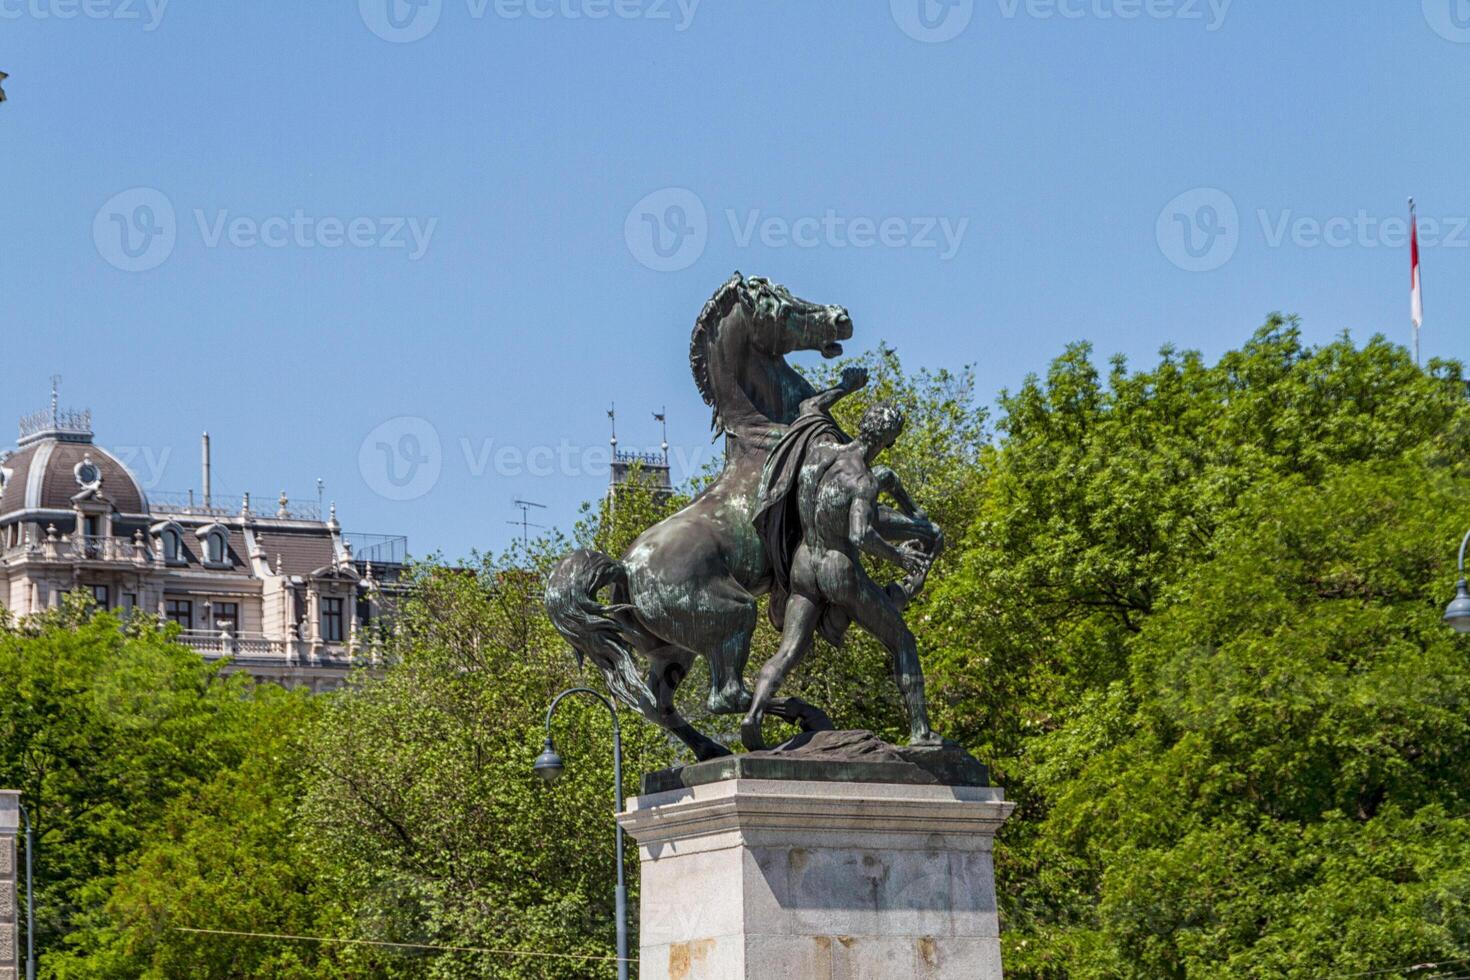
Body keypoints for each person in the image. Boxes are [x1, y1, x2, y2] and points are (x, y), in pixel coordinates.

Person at [744, 371, 943, 750]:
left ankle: (754, 713)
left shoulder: (820, 449)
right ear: (889, 439)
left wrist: (845, 388)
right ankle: (921, 731)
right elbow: (861, 535)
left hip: (804, 563)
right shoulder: (863, 482)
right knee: (902, 641)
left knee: (787, 652)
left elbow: (810, 406)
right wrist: (900, 557)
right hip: (838, 568)